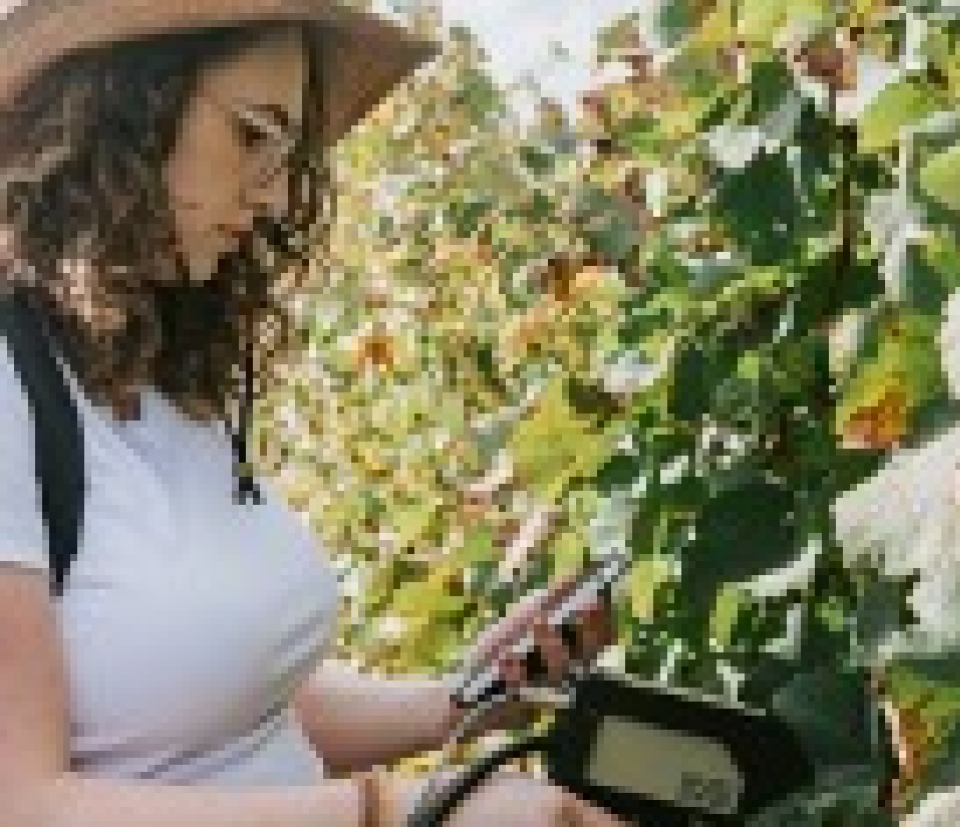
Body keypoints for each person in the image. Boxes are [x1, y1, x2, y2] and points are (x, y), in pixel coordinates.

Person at [0, 2, 627, 826]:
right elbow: (26, 802)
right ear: (124, 107)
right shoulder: (12, 383)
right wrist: (397, 812)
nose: (277, 191)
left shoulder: (166, 381)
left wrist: (467, 697)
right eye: (252, 134)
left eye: (289, 153)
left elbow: (225, 708)